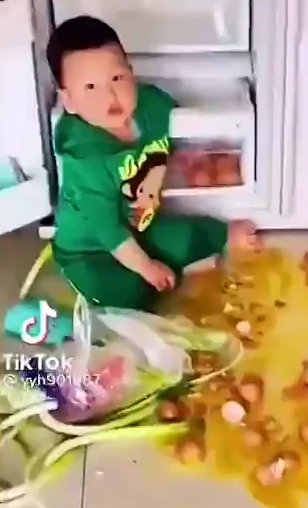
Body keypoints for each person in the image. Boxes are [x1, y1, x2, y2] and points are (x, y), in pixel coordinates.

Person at [46, 15, 259, 310]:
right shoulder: (85, 159)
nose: (110, 94)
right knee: (123, 294)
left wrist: (194, 161)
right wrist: (147, 268)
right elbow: (109, 232)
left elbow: (175, 140)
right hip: (92, 248)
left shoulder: (153, 106)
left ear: (131, 74)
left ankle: (220, 240)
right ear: (68, 101)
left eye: (117, 78)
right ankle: (150, 285)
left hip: (140, 226)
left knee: (189, 234)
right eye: (91, 87)